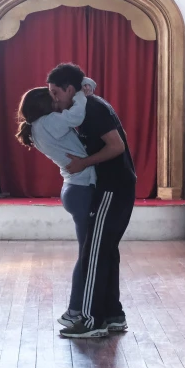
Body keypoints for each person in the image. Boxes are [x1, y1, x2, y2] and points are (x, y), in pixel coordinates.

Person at [47, 63, 136, 339]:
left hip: (112, 188)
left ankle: (90, 320)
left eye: (54, 93)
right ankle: (112, 316)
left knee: (94, 254)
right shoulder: (84, 105)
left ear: (68, 90)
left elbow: (116, 146)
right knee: (105, 251)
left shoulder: (93, 110)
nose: (53, 99)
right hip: (115, 186)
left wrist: (83, 163)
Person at [14, 77, 96, 327]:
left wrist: (82, 85)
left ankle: (81, 308)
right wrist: (80, 94)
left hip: (75, 187)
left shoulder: (40, 126)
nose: (58, 99)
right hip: (81, 188)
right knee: (87, 256)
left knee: (88, 253)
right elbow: (77, 115)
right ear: (44, 105)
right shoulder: (48, 122)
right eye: (52, 97)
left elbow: (87, 87)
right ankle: (74, 312)